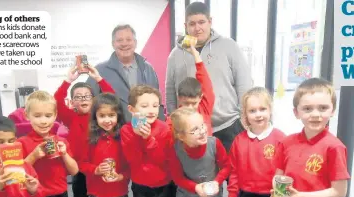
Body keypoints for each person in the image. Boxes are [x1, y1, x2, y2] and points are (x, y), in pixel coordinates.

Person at [268, 78, 350, 197]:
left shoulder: (334, 147)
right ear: (296, 112)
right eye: (307, 108)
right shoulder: (286, 142)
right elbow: (279, 174)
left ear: (332, 110)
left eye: (323, 108)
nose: (315, 114)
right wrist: (275, 193)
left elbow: (339, 191)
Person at [165, 2, 252, 151]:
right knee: (197, 173)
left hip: (228, 126)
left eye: (201, 22)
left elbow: (244, 83)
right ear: (185, 25)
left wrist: (243, 117)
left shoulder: (228, 46)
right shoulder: (175, 55)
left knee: (230, 173)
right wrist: (176, 122)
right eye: (192, 24)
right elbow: (170, 92)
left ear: (210, 22)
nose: (197, 28)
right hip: (191, 130)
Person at [54, 65, 115, 197]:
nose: (83, 99)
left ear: (94, 99)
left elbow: (111, 98)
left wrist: (98, 79)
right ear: (72, 102)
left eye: (87, 96)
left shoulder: (99, 117)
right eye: (78, 97)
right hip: (80, 171)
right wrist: (68, 81)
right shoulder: (70, 117)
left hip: (99, 169)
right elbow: (57, 101)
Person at [18, 91, 79, 197]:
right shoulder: (22, 143)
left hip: (60, 196)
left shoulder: (61, 141)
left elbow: (74, 171)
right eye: (37, 116)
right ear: (27, 115)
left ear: (55, 116)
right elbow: (16, 174)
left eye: (48, 115)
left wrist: (64, 154)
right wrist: (33, 156)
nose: (44, 121)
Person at [227, 87, 286, 197]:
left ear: (270, 110)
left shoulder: (281, 138)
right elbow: (234, 172)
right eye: (252, 111)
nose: (258, 114)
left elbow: (285, 172)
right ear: (245, 115)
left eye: (262, 109)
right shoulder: (238, 141)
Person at [168, 108, 230, 197]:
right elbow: (177, 178)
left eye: (202, 125)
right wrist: (195, 188)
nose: (202, 131)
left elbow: (226, 166)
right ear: (181, 136)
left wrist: (217, 181)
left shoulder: (214, 143)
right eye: (194, 129)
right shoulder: (176, 150)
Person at [86, 24, 165, 122]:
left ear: (135, 43)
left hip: (145, 130)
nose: (124, 44)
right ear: (113, 44)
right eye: (119, 40)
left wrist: (161, 125)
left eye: (128, 40)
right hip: (113, 132)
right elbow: (89, 103)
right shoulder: (100, 70)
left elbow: (157, 100)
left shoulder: (147, 68)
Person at [120, 85, 175, 197]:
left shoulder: (164, 128)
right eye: (144, 106)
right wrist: (138, 137)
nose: (151, 111)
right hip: (140, 185)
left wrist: (148, 139)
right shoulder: (126, 130)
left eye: (155, 106)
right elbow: (133, 160)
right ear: (131, 109)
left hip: (164, 184)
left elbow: (163, 160)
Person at [79, 93, 130, 197]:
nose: (107, 120)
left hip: (119, 194)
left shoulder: (124, 138)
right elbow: (82, 164)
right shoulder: (90, 139)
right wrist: (96, 169)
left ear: (118, 115)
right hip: (98, 195)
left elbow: (131, 165)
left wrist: (121, 176)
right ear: (95, 117)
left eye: (111, 115)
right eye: (102, 116)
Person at [166, 36, 215, 136]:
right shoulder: (174, 119)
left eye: (193, 103)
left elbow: (205, 80)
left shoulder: (204, 108)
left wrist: (195, 54)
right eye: (186, 103)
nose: (190, 107)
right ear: (179, 99)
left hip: (205, 150)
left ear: (201, 98)